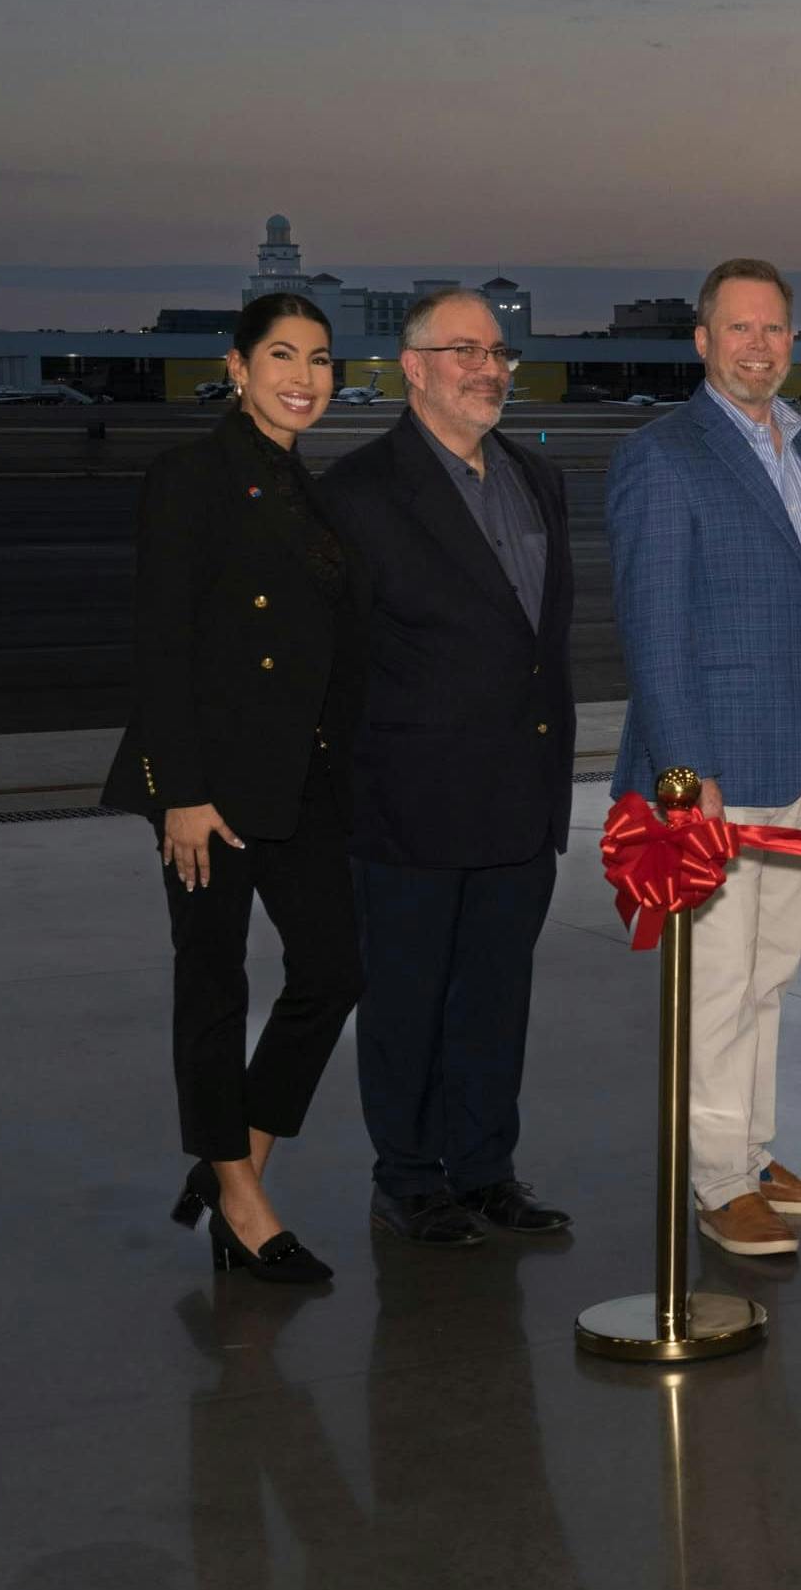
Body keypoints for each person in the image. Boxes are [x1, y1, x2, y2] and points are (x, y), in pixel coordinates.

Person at [104, 293, 363, 1285]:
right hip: (212, 787)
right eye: (284, 356)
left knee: (337, 971)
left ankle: (229, 1164)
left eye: (322, 360)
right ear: (239, 365)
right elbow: (161, 647)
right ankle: (244, 1199)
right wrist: (181, 792)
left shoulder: (312, 492)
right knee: (214, 988)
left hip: (302, 779)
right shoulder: (191, 478)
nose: (305, 377)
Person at [607, 257, 801, 1256]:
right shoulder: (664, 457)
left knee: (768, 977)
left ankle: (750, 1152)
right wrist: (684, 772)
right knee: (714, 984)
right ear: (704, 342)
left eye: (776, 330)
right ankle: (714, 1183)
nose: (760, 346)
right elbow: (653, 632)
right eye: (739, 330)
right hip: (714, 773)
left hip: (798, 757)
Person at [319, 286, 579, 1250]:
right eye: (464, 349)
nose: (489, 367)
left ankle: (485, 1167)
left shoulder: (532, 478)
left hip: (521, 794)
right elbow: (336, 663)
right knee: (407, 1000)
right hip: (409, 801)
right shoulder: (358, 493)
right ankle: (409, 1174)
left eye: (499, 350)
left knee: (494, 997)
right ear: (414, 367)